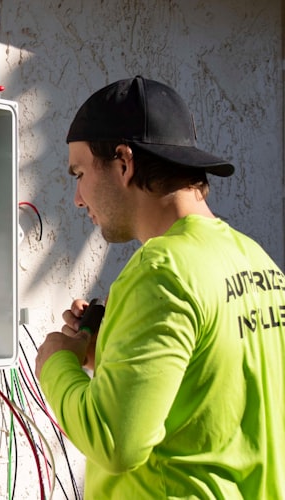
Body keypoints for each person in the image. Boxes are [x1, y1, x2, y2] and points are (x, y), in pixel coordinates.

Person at [34, 75, 285, 498]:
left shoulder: (161, 272)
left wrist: (56, 364)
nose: (77, 198)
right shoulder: (256, 261)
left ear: (123, 162)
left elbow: (115, 442)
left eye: (78, 173)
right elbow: (210, 391)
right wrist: (110, 353)